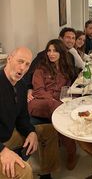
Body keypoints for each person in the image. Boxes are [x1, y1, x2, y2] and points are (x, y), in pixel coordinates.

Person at [0, 47, 59, 179]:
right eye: (19, 61)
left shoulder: (20, 85)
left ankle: (46, 174)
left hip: (7, 135)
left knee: (49, 131)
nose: (22, 68)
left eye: (27, 64)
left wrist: (30, 132)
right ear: (9, 59)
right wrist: (2, 151)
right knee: (24, 170)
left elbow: (23, 118)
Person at [27, 40, 77, 170]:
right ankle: (72, 151)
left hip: (57, 103)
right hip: (39, 102)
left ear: (61, 52)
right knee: (56, 108)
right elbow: (38, 91)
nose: (51, 54)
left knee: (68, 108)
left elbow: (68, 88)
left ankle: (72, 146)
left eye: (55, 50)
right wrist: (56, 102)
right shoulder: (40, 69)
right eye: (49, 50)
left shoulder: (66, 68)